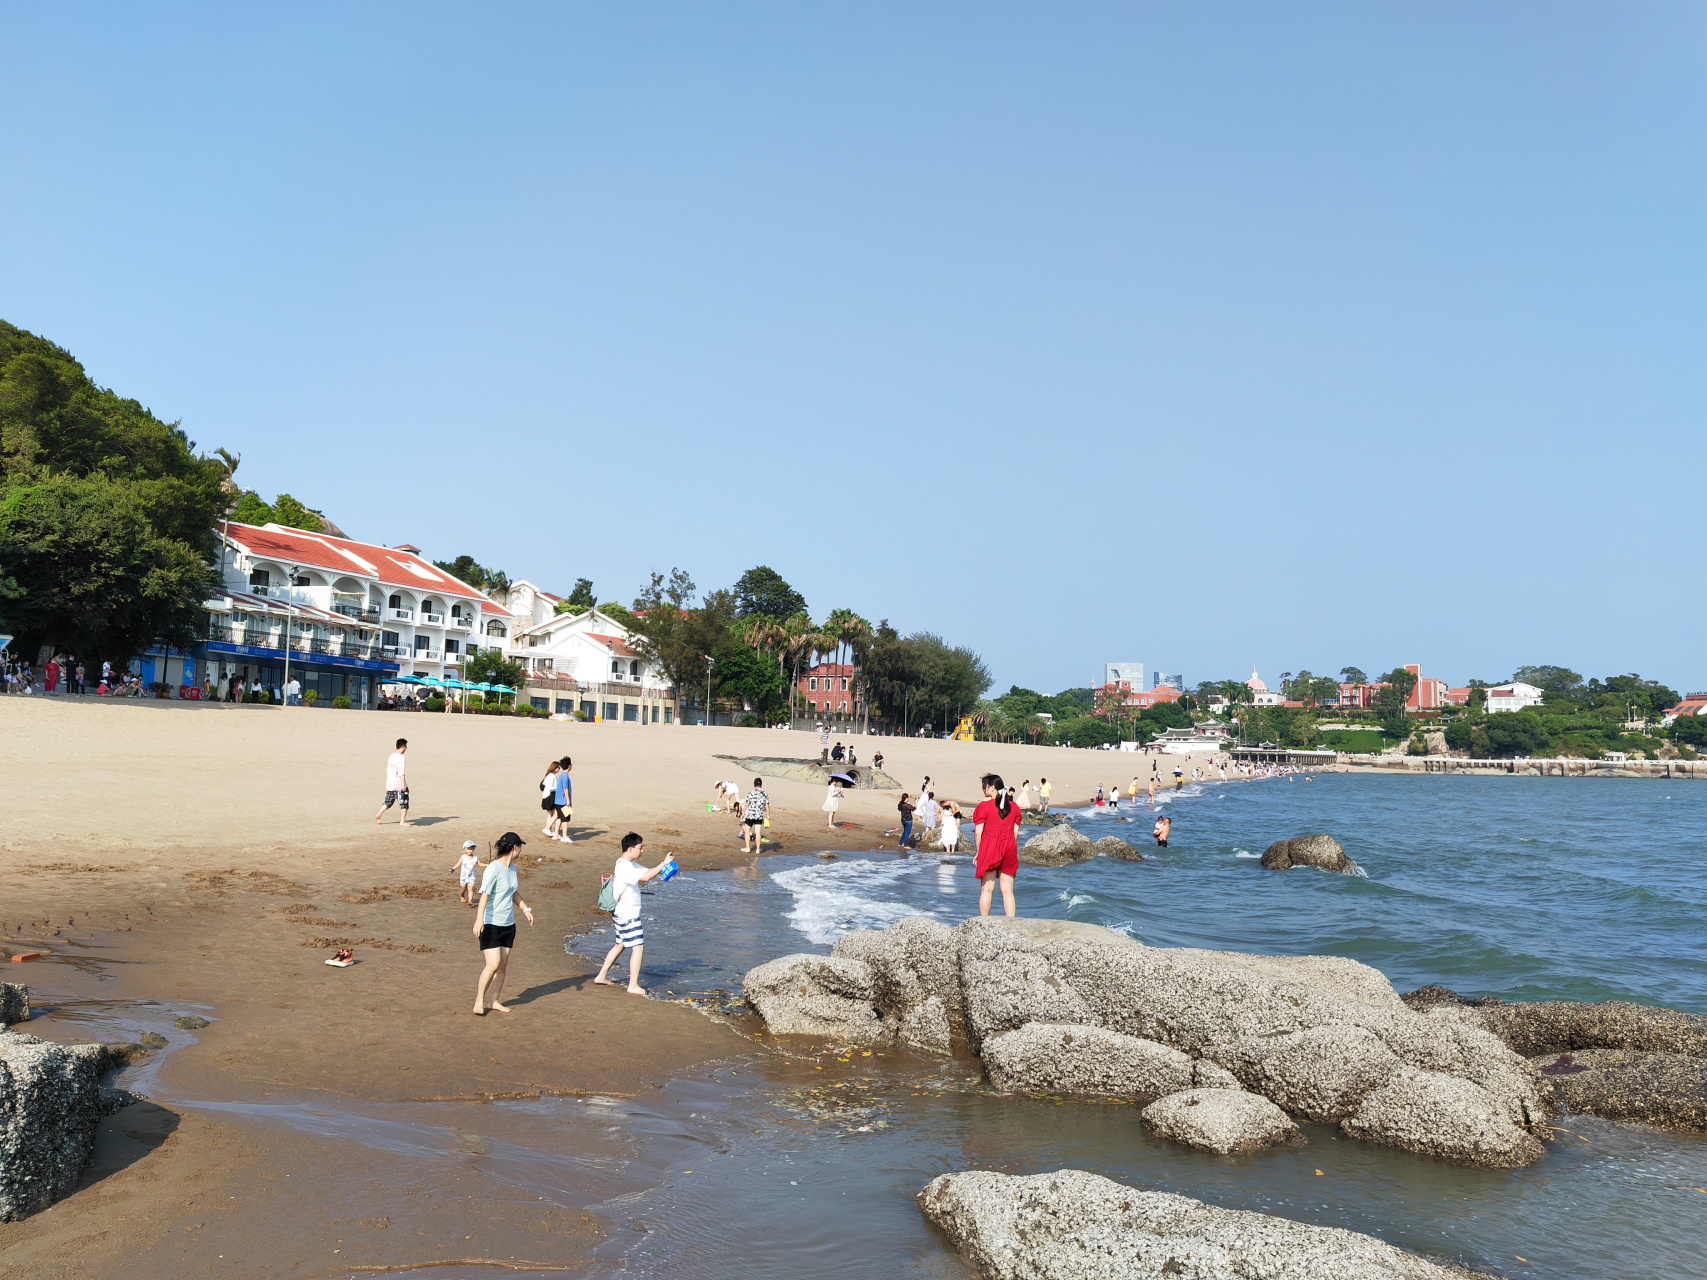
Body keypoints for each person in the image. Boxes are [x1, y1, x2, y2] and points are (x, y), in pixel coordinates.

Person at [594, 832, 669, 995]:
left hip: (623, 913)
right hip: (627, 914)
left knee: (620, 944)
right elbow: (646, 877)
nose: (642, 851)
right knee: (638, 947)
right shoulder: (624, 866)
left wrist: (663, 865)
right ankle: (633, 985)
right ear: (630, 849)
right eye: (640, 848)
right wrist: (663, 864)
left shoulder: (629, 864)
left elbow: (648, 872)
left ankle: (601, 976)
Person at [472, 832, 533, 1014]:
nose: (520, 850)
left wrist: (525, 909)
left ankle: (494, 1001)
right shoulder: (493, 868)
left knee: (502, 965)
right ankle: (478, 1001)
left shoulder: (512, 869)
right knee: (492, 964)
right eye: (519, 847)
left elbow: (513, 892)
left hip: (508, 924)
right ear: (515, 848)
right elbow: (484, 895)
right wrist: (478, 920)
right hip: (491, 924)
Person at [973, 773, 1023, 917]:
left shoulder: (984, 807)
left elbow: (978, 833)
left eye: (985, 786)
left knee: (987, 890)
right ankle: (1011, 923)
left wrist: (978, 852)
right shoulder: (1014, 807)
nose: (984, 789)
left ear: (992, 788)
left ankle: (983, 922)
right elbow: (1015, 834)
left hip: (990, 847)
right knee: (1008, 891)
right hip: (1009, 847)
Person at [375, 738, 410, 826]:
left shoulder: (391, 756)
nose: (406, 748)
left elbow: (388, 770)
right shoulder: (401, 758)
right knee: (404, 803)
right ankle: (402, 822)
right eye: (405, 746)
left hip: (390, 784)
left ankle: (379, 814)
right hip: (399, 785)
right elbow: (401, 772)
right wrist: (403, 785)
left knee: (388, 802)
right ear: (402, 746)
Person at [740, 777, 769, 854]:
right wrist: (768, 815)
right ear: (761, 785)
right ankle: (757, 849)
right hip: (759, 815)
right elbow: (767, 805)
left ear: (754, 784)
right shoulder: (764, 793)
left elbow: (746, 804)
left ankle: (747, 848)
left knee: (747, 831)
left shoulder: (751, 793)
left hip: (750, 815)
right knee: (758, 832)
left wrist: (743, 813)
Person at [552, 757, 574, 843]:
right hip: (563, 801)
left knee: (559, 818)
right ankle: (564, 836)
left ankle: (556, 834)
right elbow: (565, 789)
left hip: (558, 801)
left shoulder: (562, 775)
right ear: (569, 766)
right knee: (565, 819)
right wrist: (568, 800)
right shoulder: (565, 776)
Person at [452, 840, 480, 906]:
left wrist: (487, 865)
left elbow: (479, 864)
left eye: (471, 849)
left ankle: (470, 900)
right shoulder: (463, 857)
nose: (470, 851)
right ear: (464, 850)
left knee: (471, 889)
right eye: (468, 849)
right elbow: (458, 864)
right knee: (463, 889)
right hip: (464, 876)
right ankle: (462, 896)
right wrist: (452, 869)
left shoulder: (475, 857)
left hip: (471, 876)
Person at [540, 760, 562, 836]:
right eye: (557, 767)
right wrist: (558, 788)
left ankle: (548, 830)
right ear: (554, 768)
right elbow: (550, 787)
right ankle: (547, 828)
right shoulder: (551, 776)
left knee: (549, 815)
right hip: (550, 796)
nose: (558, 769)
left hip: (547, 796)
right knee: (556, 814)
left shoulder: (549, 775)